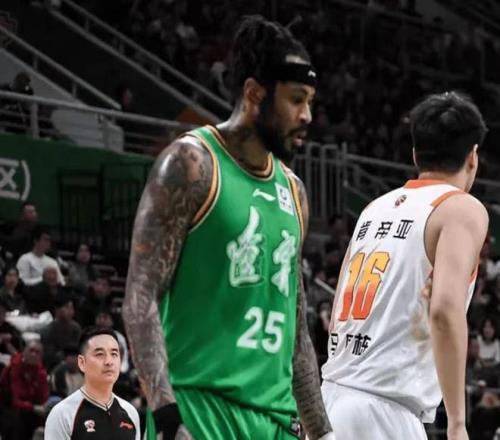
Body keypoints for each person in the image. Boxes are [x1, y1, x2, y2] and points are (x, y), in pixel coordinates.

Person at [123, 14, 334, 440]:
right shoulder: (191, 164)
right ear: (255, 93)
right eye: (296, 100)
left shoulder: (293, 192)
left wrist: (323, 431)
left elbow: (295, 330)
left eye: (310, 101)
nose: (307, 115)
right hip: (201, 412)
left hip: (277, 420)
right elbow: (140, 296)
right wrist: (167, 415)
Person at [321, 91, 489, 440]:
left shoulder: (373, 209)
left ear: (415, 154)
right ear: (473, 157)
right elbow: (444, 311)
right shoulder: (462, 208)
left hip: (329, 401)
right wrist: (457, 423)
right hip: (383, 413)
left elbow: (338, 308)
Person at [44, 327, 140, 440]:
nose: (109, 362)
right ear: (82, 362)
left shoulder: (130, 412)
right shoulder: (62, 414)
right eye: (100, 354)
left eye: (114, 354)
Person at [0, 340, 48, 440]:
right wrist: (33, 407)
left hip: (30, 410)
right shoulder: (15, 367)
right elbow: (16, 401)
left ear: (41, 357)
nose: (33, 354)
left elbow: (43, 398)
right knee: (19, 417)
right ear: (24, 352)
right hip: (7, 408)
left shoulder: (41, 373)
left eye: (37, 352)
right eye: (31, 350)